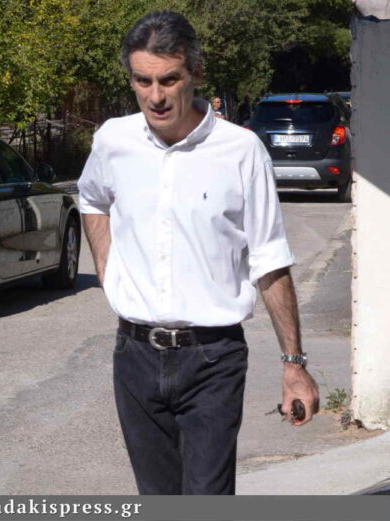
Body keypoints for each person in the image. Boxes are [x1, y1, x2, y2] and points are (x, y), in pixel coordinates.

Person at [78, 11, 319, 495]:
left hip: (213, 358)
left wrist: (293, 363)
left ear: (196, 73)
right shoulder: (113, 141)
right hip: (135, 354)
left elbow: (269, 258)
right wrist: (106, 265)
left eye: (169, 79)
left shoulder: (240, 151)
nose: (155, 96)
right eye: (142, 81)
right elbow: (91, 198)